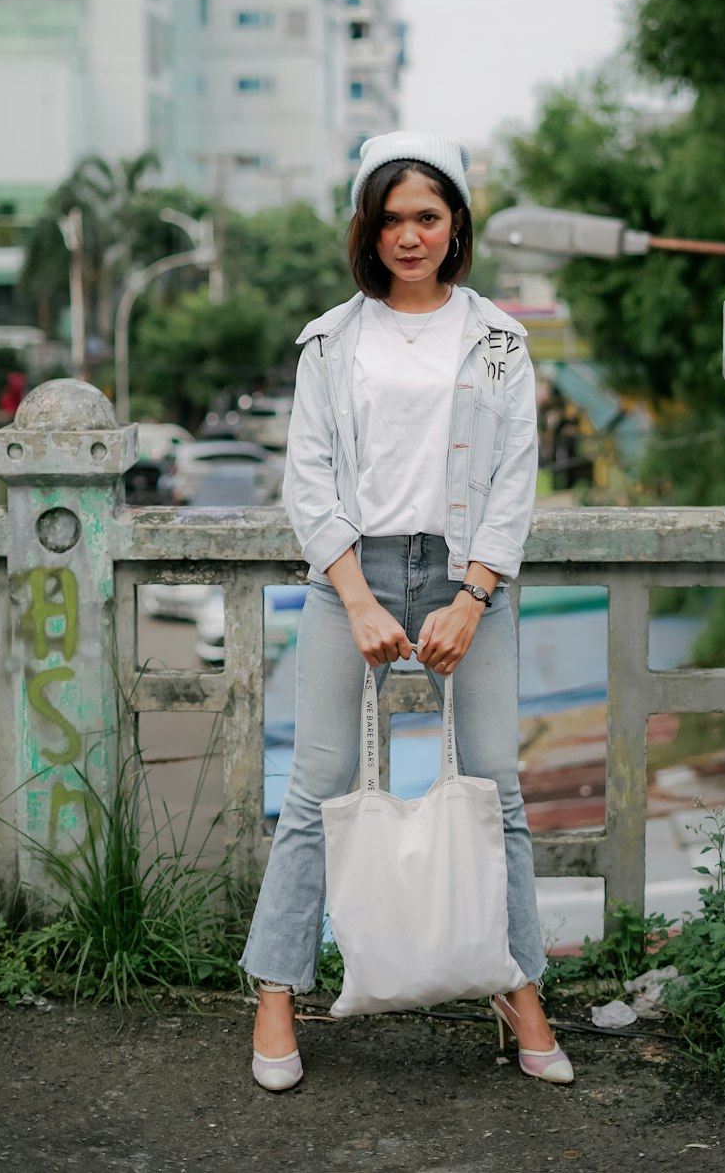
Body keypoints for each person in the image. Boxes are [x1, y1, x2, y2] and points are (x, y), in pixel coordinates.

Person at [240, 131, 573, 1092]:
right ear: (368, 229)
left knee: (500, 790)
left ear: (456, 223)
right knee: (318, 787)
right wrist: (354, 597)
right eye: (391, 219)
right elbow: (306, 480)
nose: (409, 235)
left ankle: (519, 990)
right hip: (357, 569)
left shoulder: (501, 340)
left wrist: (475, 594)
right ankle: (276, 992)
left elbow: (515, 477)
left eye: (427, 216)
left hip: (471, 574)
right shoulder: (330, 340)